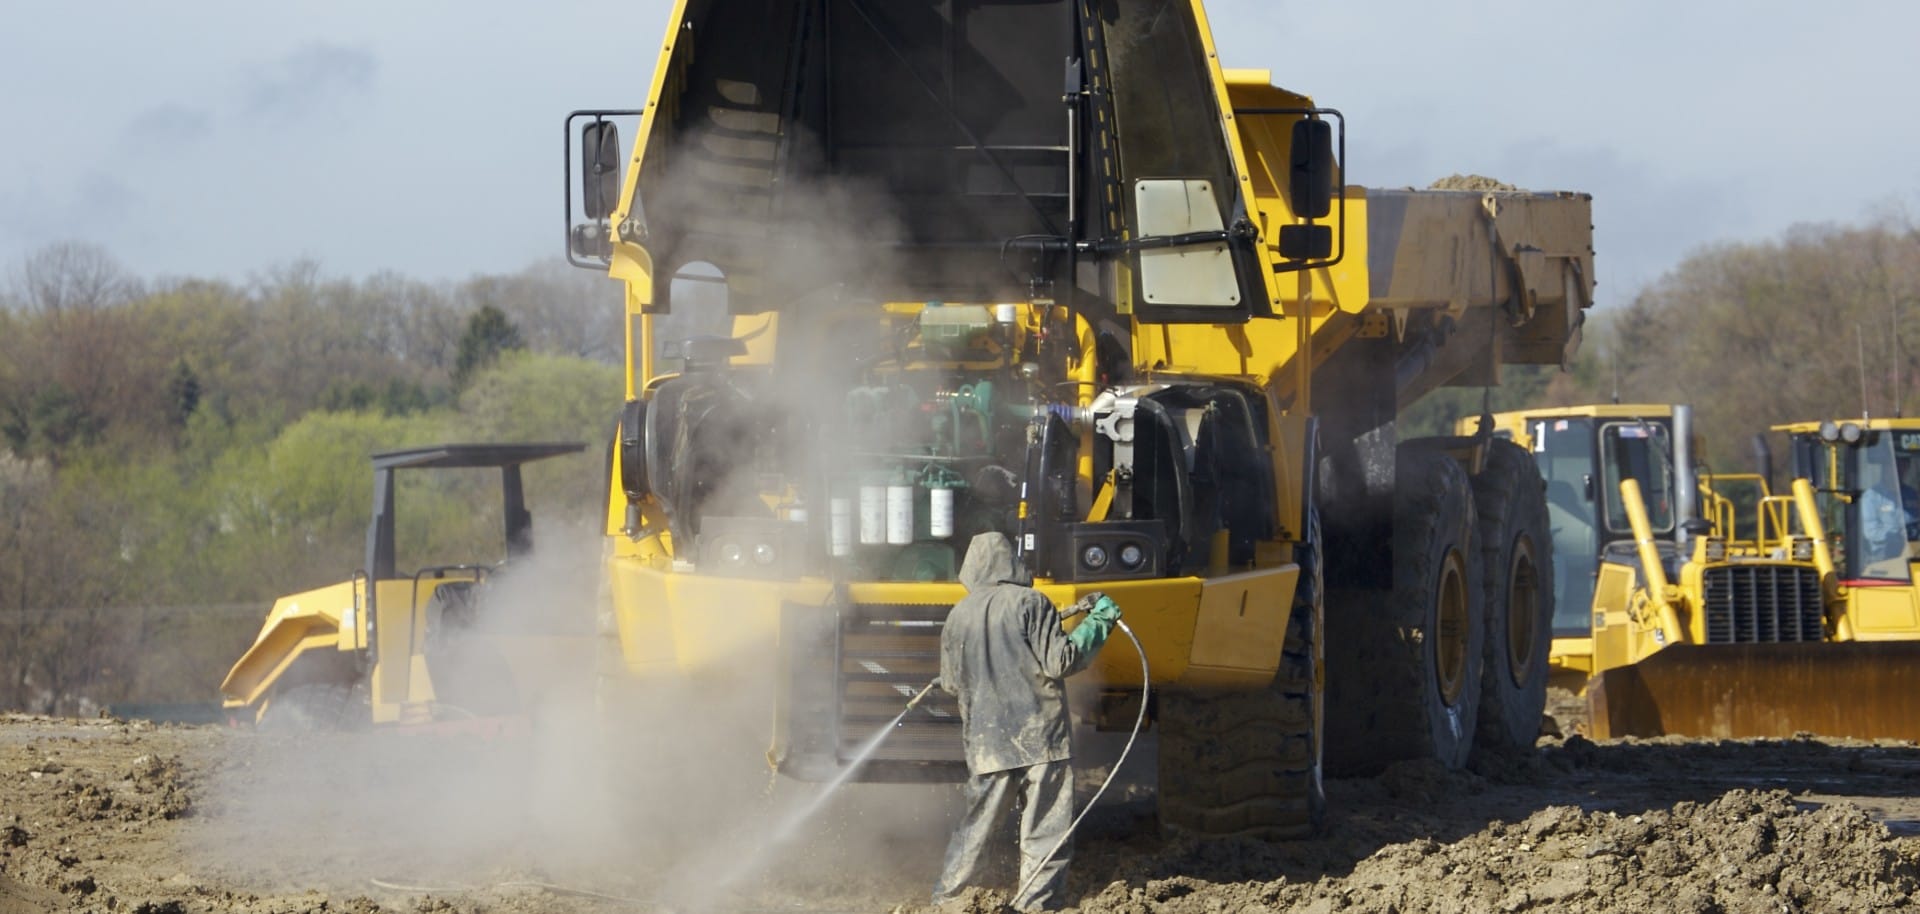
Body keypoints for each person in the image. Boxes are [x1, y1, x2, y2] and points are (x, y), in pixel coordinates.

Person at [931, 532, 1121, 911]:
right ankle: (1036, 906)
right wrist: (1099, 620)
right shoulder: (1032, 603)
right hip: (1041, 741)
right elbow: (1061, 661)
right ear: (1011, 563)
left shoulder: (958, 615)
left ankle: (947, 901)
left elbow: (951, 684)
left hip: (987, 745)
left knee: (976, 830)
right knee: (1044, 835)